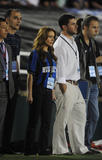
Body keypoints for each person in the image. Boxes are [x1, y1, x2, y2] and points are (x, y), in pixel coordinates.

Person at [52, 14, 89, 155]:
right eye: (72, 24)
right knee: (62, 119)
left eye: (75, 23)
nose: (76, 26)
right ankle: (60, 150)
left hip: (75, 84)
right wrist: (62, 85)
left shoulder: (72, 40)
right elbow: (59, 66)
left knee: (79, 116)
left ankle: (79, 148)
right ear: (64, 27)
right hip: (64, 84)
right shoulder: (59, 44)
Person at [75, 16, 102, 152]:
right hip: (81, 83)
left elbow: (98, 63)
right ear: (85, 27)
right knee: (80, 115)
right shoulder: (76, 42)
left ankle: (86, 144)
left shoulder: (94, 43)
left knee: (94, 116)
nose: (97, 30)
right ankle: (76, 144)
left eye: (98, 28)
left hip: (93, 84)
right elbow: (78, 63)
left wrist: (101, 78)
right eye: (94, 27)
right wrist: (96, 59)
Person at [24, 26, 57, 155]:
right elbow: (30, 74)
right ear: (43, 37)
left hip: (48, 92)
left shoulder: (51, 54)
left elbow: (52, 75)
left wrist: (53, 91)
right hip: (37, 91)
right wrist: (30, 93)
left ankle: (43, 148)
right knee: (34, 121)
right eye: (49, 37)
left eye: (53, 37)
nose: (51, 40)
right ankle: (29, 149)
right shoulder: (35, 53)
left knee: (47, 121)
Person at [2, 9, 22, 153]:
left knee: (10, 114)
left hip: (13, 78)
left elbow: (15, 60)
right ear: (7, 20)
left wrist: (18, 76)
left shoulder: (18, 39)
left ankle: (6, 144)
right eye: (15, 18)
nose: (19, 21)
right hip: (3, 78)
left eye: (20, 18)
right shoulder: (3, 38)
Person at [0, 17, 14, 153]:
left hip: (5, 87)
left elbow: (9, 68)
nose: (7, 30)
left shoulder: (7, 47)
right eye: (4, 27)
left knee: (2, 120)